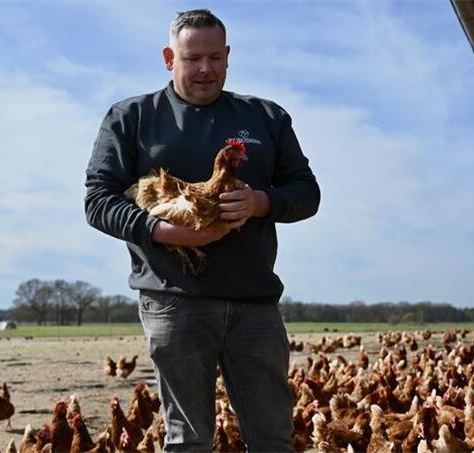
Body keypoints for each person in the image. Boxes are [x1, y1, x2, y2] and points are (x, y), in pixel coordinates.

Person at [84, 9, 319, 452]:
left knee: (273, 438)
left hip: (254, 302)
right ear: (169, 57)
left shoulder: (266, 117)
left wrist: (260, 202)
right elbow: (98, 201)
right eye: (193, 59)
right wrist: (165, 232)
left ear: (228, 56)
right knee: (188, 441)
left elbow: (307, 192)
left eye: (215, 57)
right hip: (175, 302)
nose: (205, 69)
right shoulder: (131, 117)